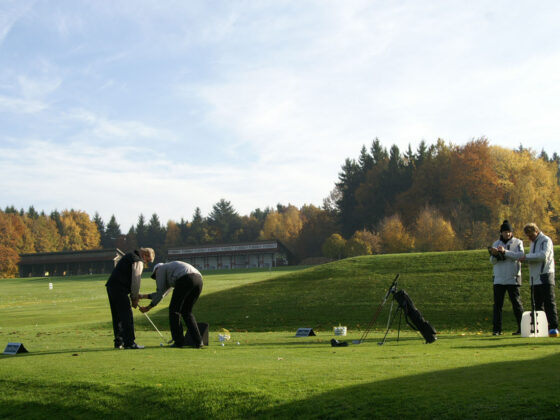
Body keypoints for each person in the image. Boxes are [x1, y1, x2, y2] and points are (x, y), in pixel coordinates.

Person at [139, 261, 204, 348]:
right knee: (187, 312)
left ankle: (179, 342)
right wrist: (143, 296)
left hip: (185, 279)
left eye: (155, 276)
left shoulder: (160, 269)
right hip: (199, 280)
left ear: (156, 271)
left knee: (174, 310)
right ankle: (198, 342)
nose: (156, 278)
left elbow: (160, 293)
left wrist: (149, 307)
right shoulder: (171, 271)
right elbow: (162, 294)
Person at [105, 248, 155, 349]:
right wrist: (134, 298)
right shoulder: (137, 260)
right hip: (120, 288)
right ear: (144, 255)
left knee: (117, 316)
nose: (146, 263)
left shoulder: (129, 255)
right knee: (126, 315)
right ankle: (129, 343)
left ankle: (119, 342)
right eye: (147, 261)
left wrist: (134, 296)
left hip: (112, 286)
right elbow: (136, 281)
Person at [519, 223, 559, 337]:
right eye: (527, 235)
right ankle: (540, 328)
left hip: (545, 275)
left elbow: (543, 255)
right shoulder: (533, 243)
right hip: (534, 277)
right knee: (536, 304)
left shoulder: (546, 240)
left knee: (549, 303)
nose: (529, 237)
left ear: (536, 231)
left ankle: (553, 327)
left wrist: (527, 257)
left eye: (530, 235)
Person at [488, 220, 524, 335]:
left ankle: (522, 328)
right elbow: (492, 262)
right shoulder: (496, 243)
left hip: (513, 278)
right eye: (505, 232)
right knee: (497, 306)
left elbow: (520, 256)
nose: (507, 234)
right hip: (498, 278)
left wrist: (505, 252)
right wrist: (494, 255)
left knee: (516, 304)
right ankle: (497, 329)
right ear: (501, 232)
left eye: (509, 231)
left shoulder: (518, 242)